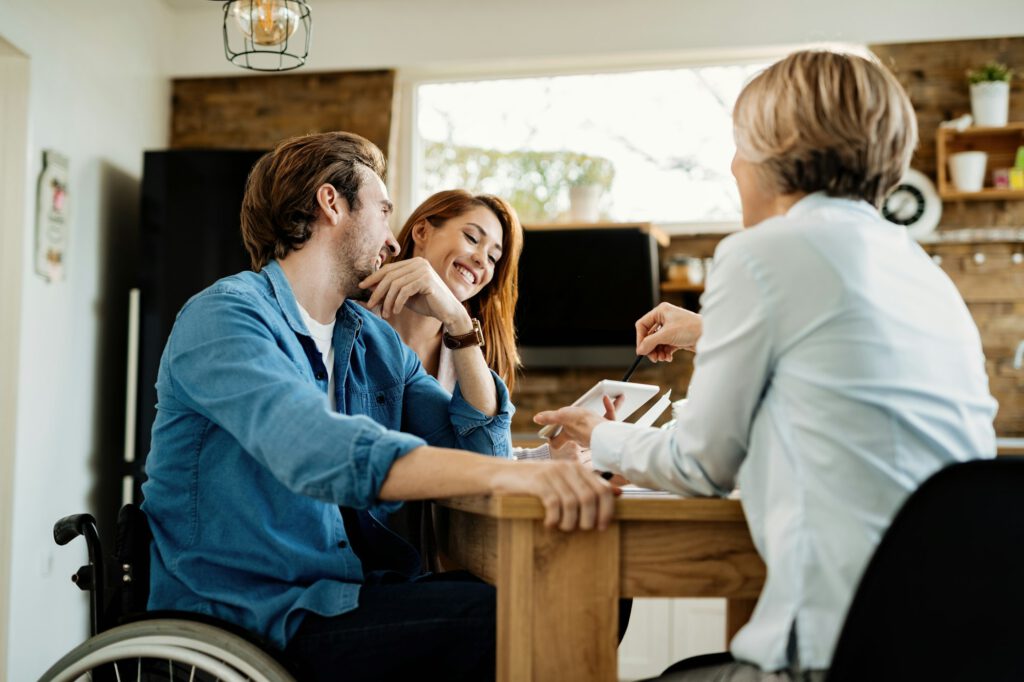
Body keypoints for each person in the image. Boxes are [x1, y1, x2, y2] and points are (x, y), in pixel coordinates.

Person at [535, 50, 997, 681]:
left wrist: (599, 435)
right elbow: (828, 370)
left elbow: (699, 465)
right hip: (960, 646)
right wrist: (709, 332)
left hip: (838, 656)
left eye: (736, 145)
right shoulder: (920, 269)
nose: (731, 166)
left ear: (776, 147)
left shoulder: (763, 252)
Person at [140, 131, 616, 682]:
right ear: (331, 203)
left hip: (348, 594)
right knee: (515, 618)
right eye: (384, 210)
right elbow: (317, 451)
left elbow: (476, 443)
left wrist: (461, 326)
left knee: (582, 588)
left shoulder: (368, 338)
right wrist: (513, 480)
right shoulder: (225, 317)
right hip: (253, 616)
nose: (392, 241)